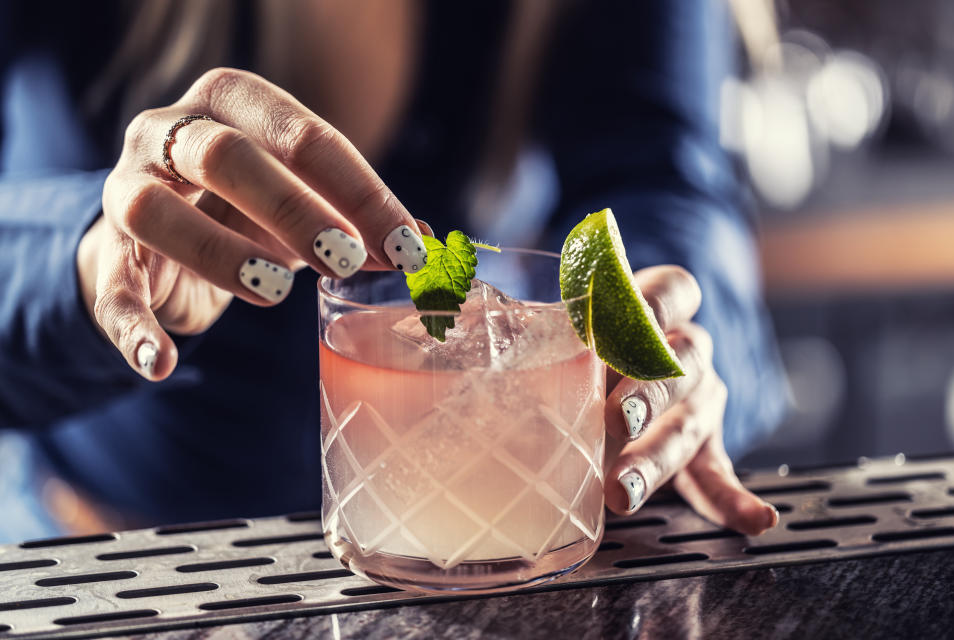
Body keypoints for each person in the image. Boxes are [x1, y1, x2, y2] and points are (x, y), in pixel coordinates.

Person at [0, 0, 787, 543]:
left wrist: (664, 348)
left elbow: (662, 184)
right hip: (94, 554)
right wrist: (94, 259)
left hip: (437, 570)